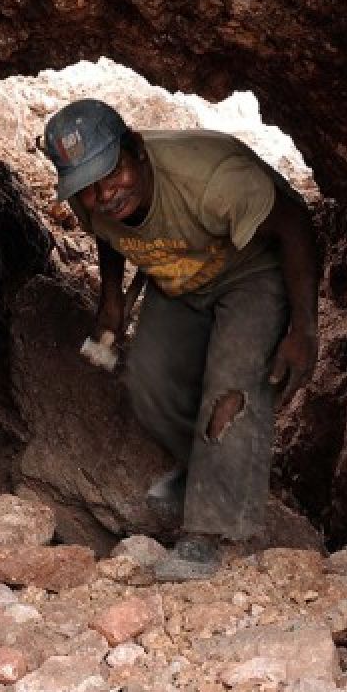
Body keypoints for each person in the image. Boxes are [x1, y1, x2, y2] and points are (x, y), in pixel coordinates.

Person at [42, 99, 320, 581]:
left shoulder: (211, 180)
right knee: (149, 383)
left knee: (230, 388)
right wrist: (111, 302)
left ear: (138, 152)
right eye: (88, 188)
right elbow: (109, 236)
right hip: (179, 275)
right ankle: (206, 472)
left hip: (252, 268)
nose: (105, 194)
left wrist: (304, 329)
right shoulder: (91, 197)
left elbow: (295, 225)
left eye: (113, 175)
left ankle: (205, 539)